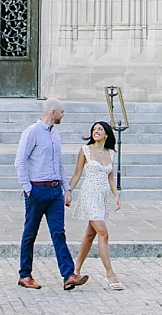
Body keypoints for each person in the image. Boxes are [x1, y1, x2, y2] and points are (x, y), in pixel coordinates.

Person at [13, 97, 88, 291]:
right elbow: (20, 161)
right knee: (30, 232)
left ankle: (68, 275)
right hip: (37, 189)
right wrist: (28, 189)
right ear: (53, 112)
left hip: (55, 191)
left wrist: (66, 188)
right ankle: (25, 275)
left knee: (59, 232)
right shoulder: (31, 132)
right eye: (62, 112)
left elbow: (59, 164)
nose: (63, 115)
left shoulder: (56, 135)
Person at [68, 120, 124, 290]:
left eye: (100, 129)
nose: (96, 131)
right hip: (89, 194)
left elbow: (111, 178)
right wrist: (68, 191)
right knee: (103, 233)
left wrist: (116, 196)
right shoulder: (85, 150)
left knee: (90, 235)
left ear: (106, 134)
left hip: (102, 197)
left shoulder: (111, 153)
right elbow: (77, 173)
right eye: (94, 129)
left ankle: (75, 269)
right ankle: (110, 274)